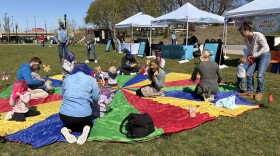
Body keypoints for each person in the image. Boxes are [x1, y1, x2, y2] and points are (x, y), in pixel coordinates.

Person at [59, 63, 100, 145]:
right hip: (84, 117)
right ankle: (86, 128)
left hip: (64, 116)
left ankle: (66, 128)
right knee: (87, 121)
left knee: (70, 123)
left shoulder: (67, 78)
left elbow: (62, 95)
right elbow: (96, 98)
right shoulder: (91, 79)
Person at [238, 22, 271, 101]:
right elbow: (250, 50)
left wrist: (256, 54)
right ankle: (249, 92)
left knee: (260, 75)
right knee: (249, 74)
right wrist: (249, 56)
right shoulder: (245, 39)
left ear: (247, 29)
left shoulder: (258, 35)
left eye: (242, 32)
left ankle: (260, 92)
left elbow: (265, 47)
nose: (242, 34)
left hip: (264, 56)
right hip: (255, 57)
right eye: (240, 33)